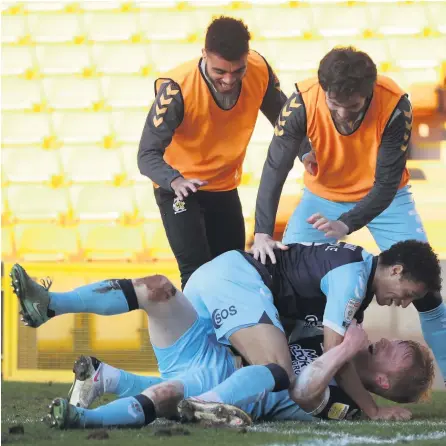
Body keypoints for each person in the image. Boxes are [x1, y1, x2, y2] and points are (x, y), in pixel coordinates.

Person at [11, 239, 441, 421]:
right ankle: (203, 406)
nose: (404, 304)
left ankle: (55, 309)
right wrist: (373, 409)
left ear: (385, 378)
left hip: (221, 294)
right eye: (409, 292)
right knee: (276, 369)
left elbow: (322, 340)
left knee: (158, 290)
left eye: (397, 349)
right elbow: (330, 350)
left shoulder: (353, 284)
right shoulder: (353, 281)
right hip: (241, 284)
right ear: (396, 269)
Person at [251, 46, 446, 384]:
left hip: (387, 201)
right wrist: (262, 231)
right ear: (325, 90)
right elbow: (274, 166)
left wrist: (347, 223)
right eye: (334, 105)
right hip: (321, 198)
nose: (342, 114)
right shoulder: (302, 100)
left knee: (427, 292)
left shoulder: (395, 104)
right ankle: (292, 378)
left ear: (368, 93)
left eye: (352, 106)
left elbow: (385, 185)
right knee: (289, 285)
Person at [45, 321, 434, 429]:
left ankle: (85, 417)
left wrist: (347, 349)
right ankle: (104, 378)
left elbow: (306, 389)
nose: (382, 341)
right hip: (228, 361)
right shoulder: (326, 338)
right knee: (170, 391)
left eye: (391, 351)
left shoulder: (349, 404)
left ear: (383, 382)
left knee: (169, 393)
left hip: (242, 392)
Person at [138, 16, 287, 289]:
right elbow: (146, 154)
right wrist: (175, 180)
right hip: (180, 188)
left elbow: (287, 121)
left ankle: (231, 332)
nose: (229, 80)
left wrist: (308, 153)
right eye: (220, 71)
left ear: (246, 58)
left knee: (233, 268)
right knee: (197, 273)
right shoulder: (176, 89)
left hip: (223, 186)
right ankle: (201, 332)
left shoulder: (259, 69)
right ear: (204, 54)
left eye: (237, 70)